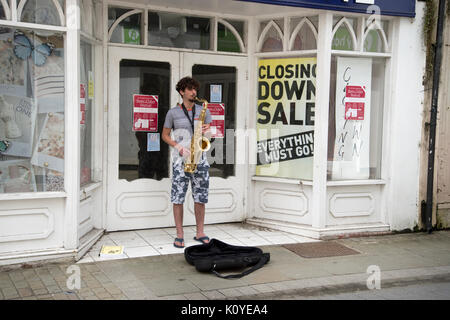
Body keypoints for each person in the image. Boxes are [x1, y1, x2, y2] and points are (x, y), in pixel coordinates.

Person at [162, 76, 212, 248]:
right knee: (178, 197)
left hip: (200, 159)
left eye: (195, 89)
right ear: (182, 92)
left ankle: (200, 232)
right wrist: (178, 147)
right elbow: (165, 135)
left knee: (201, 197)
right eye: (190, 89)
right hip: (180, 160)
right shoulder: (173, 113)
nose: (194, 92)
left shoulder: (203, 110)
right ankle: (180, 234)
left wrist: (208, 130)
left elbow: (210, 136)